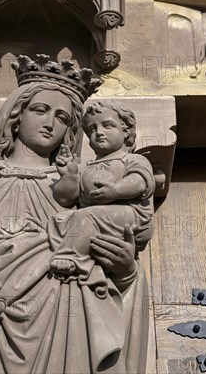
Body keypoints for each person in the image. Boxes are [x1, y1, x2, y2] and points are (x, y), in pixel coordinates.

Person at [0, 55, 151, 373]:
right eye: (40, 110)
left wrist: (126, 272)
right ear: (16, 114)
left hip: (68, 322)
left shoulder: (82, 188)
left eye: (62, 117)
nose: (50, 123)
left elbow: (115, 268)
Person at [49, 100, 155, 285]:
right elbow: (66, 198)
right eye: (91, 129)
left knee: (86, 216)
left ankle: (71, 255)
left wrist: (116, 190)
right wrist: (69, 175)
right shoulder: (86, 168)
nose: (98, 132)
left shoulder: (131, 159)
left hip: (132, 216)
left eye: (107, 125)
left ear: (126, 131)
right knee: (61, 219)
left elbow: (139, 182)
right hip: (96, 218)